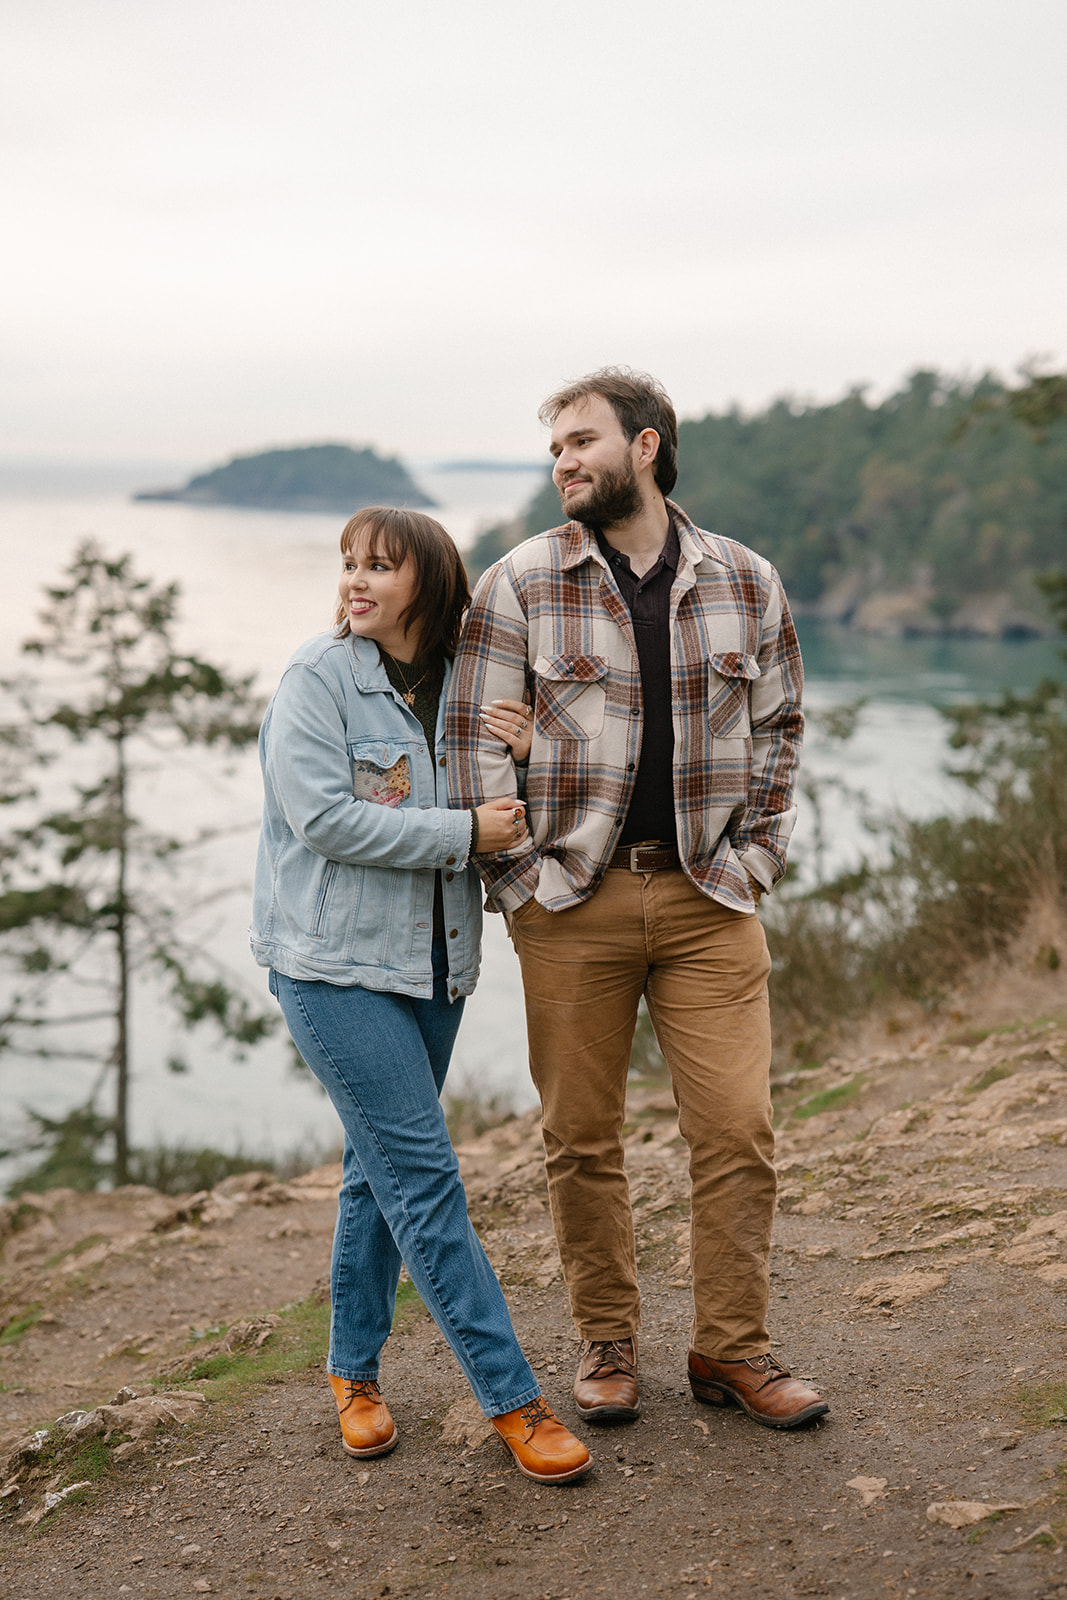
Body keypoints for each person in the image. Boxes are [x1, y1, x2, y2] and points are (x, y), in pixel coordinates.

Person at [446, 370, 828, 1432]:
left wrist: (752, 862)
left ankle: (731, 1349)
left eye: (579, 441)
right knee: (579, 1135)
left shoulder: (746, 580)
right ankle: (606, 1341)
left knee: (738, 1129)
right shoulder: (517, 584)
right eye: (552, 449)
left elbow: (780, 728)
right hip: (572, 902)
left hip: (712, 898)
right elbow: (472, 739)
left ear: (645, 446)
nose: (562, 461)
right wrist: (519, 884)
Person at [250, 505, 592, 1484]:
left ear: (428, 582)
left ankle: (351, 1373)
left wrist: (529, 751)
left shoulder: (471, 684)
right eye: (349, 563)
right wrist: (462, 834)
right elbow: (322, 819)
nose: (356, 581)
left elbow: (525, 806)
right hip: (328, 967)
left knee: (377, 1170)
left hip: (436, 969)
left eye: (380, 567)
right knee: (425, 1177)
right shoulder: (320, 677)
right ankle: (513, 1400)